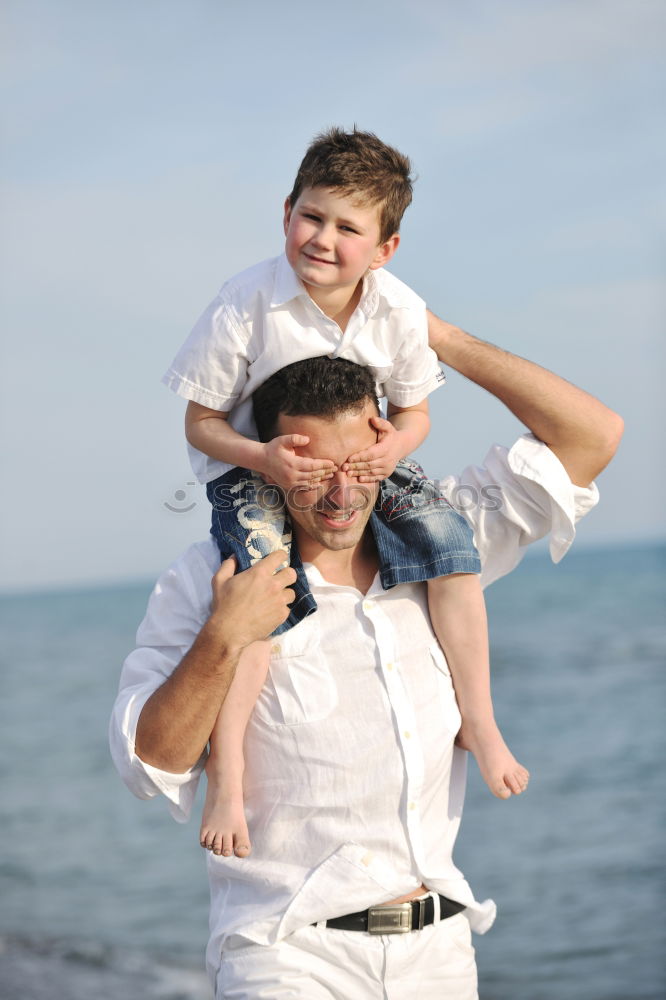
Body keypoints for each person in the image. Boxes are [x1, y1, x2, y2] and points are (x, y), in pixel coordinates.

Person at [110, 328, 622, 999]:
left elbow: (593, 435)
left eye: (359, 464)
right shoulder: (212, 578)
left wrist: (426, 332)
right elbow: (150, 763)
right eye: (315, 470)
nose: (343, 493)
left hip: (440, 952)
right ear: (270, 464)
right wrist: (223, 636)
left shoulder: (439, 537)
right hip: (287, 955)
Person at [161, 127, 527, 862]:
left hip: (365, 461)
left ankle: (480, 720)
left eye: (348, 228)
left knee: (451, 550)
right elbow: (199, 424)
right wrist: (261, 455)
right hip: (258, 469)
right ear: (287, 209)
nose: (323, 239)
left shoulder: (397, 308)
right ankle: (228, 774)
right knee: (267, 599)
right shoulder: (243, 304)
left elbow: (416, 410)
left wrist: (395, 447)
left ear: (384, 248)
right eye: (312, 216)